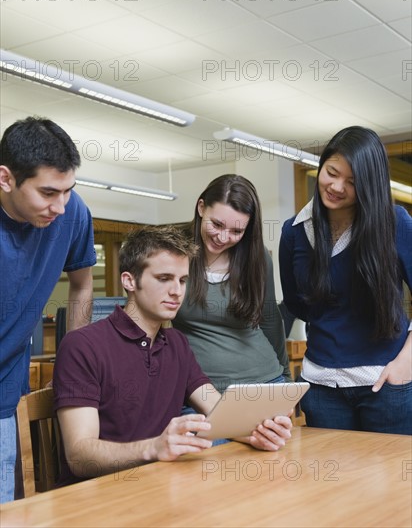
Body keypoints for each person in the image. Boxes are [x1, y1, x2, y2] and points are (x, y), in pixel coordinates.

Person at [53, 226, 292, 485]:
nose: (177, 291)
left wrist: (257, 433)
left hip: (161, 486)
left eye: (183, 280)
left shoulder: (177, 343)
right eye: (164, 278)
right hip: (97, 497)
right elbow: (79, 456)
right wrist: (154, 448)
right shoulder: (82, 346)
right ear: (129, 281)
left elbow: (218, 409)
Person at [279, 126, 412, 435]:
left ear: (369, 186)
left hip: (385, 384)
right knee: (332, 481)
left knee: (393, 483)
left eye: (352, 182)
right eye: (332, 172)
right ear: (321, 165)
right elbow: (298, 304)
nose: (337, 186)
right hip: (321, 387)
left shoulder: (394, 223)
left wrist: (405, 363)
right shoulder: (295, 231)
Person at [0, 116, 96, 503]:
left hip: (5, 394)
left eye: (68, 190)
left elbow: (82, 284)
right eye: (47, 192)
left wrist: (72, 364)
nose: (59, 205)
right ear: (5, 178)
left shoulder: (72, 214)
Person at [173, 174, 291, 397]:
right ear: (201, 207)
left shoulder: (257, 258)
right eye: (216, 224)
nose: (222, 237)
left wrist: (286, 380)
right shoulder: (173, 250)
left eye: (236, 231)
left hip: (265, 381)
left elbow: (270, 319)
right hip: (200, 389)